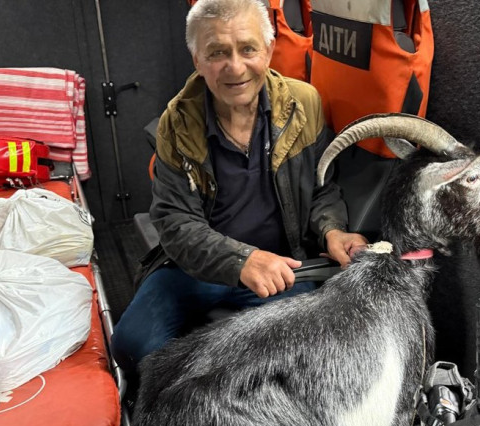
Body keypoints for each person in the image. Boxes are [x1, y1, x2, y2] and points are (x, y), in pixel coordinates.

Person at [111, 0, 367, 371]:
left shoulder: (304, 103)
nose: (235, 67)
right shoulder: (176, 123)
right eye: (217, 53)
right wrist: (241, 260)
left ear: (269, 50)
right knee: (132, 345)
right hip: (196, 269)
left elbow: (321, 189)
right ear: (197, 60)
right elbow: (175, 222)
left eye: (248, 49)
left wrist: (333, 231)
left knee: (293, 356)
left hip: (283, 266)